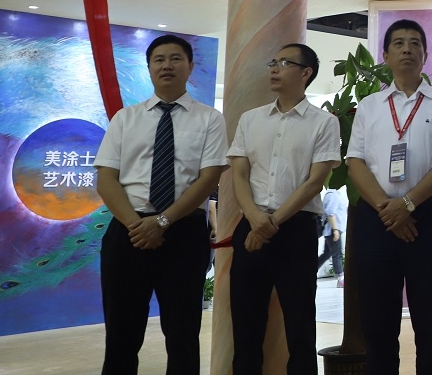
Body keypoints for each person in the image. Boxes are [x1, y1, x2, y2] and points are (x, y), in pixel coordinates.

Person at [94, 34, 228, 375]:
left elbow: (209, 178)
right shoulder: (125, 119)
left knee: (182, 335)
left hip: (183, 233)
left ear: (190, 67)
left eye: (175, 58)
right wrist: (137, 225)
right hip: (129, 232)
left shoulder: (210, 119)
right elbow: (106, 179)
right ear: (150, 68)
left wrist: (163, 222)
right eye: (159, 59)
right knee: (121, 337)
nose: (167, 65)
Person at [346, 20, 432, 375]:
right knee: (377, 325)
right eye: (399, 43)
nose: (407, 49)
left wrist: (408, 204)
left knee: (429, 323)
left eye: (415, 43)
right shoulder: (369, 106)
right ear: (385, 55)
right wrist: (388, 210)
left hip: (426, 219)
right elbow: (355, 162)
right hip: (376, 219)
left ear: (425, 55)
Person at [228, 43, 341, 375]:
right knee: (246, 326)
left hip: (296, 229)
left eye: (284, 63)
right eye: (273, 62)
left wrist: (271, 222)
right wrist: (255, 218)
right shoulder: (251, 119)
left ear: (306, 73)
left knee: (300, 325)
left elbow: (314, 182)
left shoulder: (324, 122)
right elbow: (239, 174)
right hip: (250, 224)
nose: (274, 68)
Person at [316, 186, 347, 287]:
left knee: (327, 253)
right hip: (332, 230)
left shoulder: (336, 194)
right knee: (337, 254)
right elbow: (330, 213)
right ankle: (341, 278)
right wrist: (335, 230)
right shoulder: (332, 194)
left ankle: (312, 269)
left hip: (332, 230)